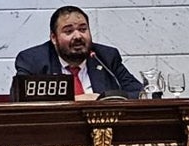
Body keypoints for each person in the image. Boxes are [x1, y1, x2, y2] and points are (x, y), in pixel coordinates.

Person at [14, 5, 144, 99]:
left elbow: (139, 94)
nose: (77, 36)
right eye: (68, 31)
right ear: (54, 38)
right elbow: (19, 97)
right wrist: (76, 100)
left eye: (83, 29)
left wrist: (105, 99)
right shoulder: (33, 60)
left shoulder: (106, 57)